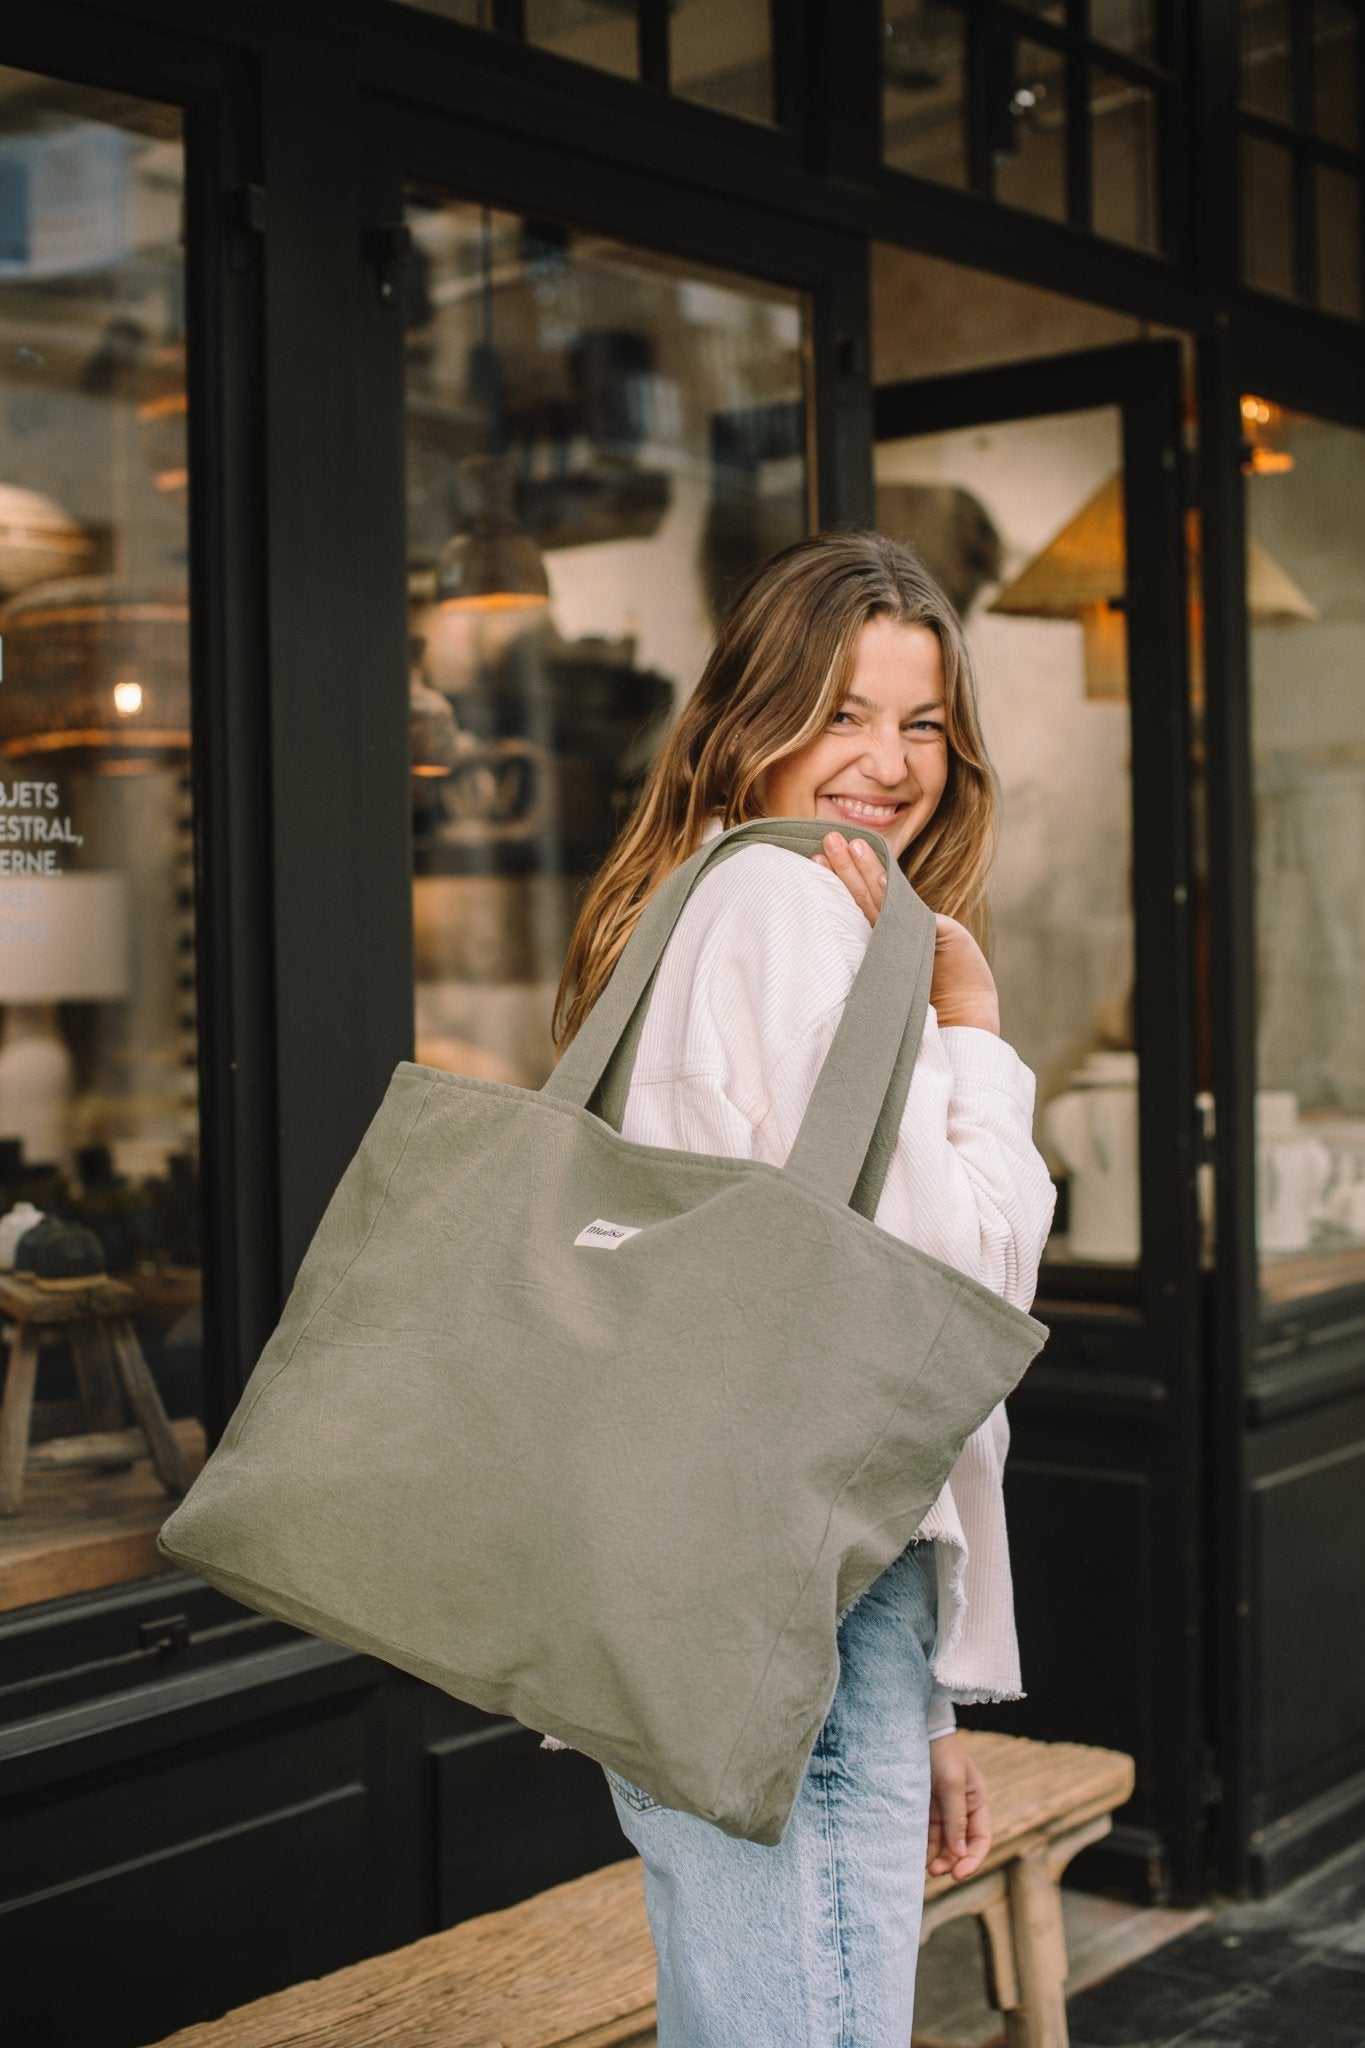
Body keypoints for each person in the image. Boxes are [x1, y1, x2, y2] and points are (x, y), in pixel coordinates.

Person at [553, 530, 1055, 2048]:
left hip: (713, 1589)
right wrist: (970, 1035)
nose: (887, 764)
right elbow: (957, 1294)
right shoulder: (790, 919)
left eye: (920, 725)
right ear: (744, 722)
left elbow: (819, 1302)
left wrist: (926, 1711)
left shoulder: (688, 903)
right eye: (841, 712)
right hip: (805, 1610)